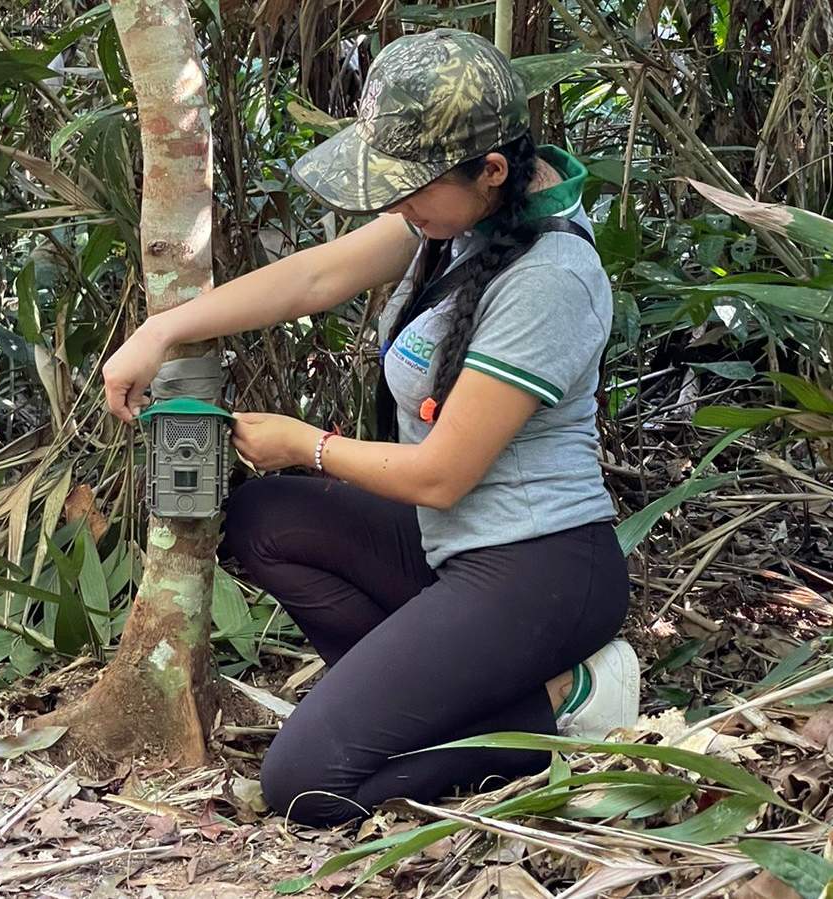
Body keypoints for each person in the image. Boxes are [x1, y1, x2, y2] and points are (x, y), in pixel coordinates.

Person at [102, 28, 639, 826]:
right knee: (264, 519)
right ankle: (418, 705)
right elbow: (316, 275)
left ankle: (562, 706)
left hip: (540, 569)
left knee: (307, 788)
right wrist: (162, 331)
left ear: (491, 170)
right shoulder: (458, 216)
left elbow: (441, 474)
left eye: (408, 187)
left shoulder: (551, 276)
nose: (396, 205)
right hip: (446, 542)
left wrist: (303, 443)